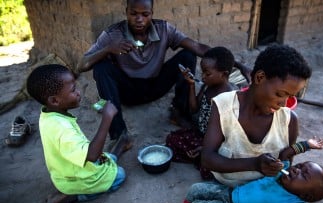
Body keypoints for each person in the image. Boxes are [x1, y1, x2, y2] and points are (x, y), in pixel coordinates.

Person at [76, 0, 250, 150]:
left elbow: (198, 48)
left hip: (155, 86)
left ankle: (179, 112)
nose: (139, 19)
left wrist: (239, 64)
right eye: (133, 13)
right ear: (126, 12)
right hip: (127, 91)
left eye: (145, 14)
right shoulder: (112, 34)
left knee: (187, 55)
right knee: (102, 68)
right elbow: (81, 65)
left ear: (152, 13)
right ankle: (119, 134)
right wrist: (108, 49)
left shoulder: (164, 29)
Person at [201, 43, 313, 187]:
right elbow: (207, 158)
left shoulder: (289, 121)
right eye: (280, 94)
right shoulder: (224, 105)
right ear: (260, 78)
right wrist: (254, 163)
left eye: (289, 97)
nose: (283, 104)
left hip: (262, 192)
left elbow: (285, 166)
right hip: (224, 184)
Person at [26, 64, 127, 203]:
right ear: (54, 101)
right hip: (76, 178)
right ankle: (72, 196)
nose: (79, 92)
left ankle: (116, 152)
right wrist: (107, 118)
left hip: (65, 173)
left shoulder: (48, 115)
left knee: (108, 159)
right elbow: (92, 156)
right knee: (119, 176)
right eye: (73, 90)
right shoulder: (62, 129)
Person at [165, 138, 323, 203]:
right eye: (301, 166)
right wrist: (307, 145)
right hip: (230, 193)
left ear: (306, 197)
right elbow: (286, 153)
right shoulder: (282, 170)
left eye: (304, 175)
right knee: (196, 188)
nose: (297, 170)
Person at [165, 46, 237, 180]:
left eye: (207, 73)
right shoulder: (207, 86)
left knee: (208, 171)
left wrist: (205, 147)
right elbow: (194, 109)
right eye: (202, 72)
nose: (202, 77)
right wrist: (192, 85)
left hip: (217, 142)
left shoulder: (229, 97)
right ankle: (200, 157)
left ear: (224, 74)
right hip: (200, 133)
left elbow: (228, 135)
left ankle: (203, 157)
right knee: (171, 140)